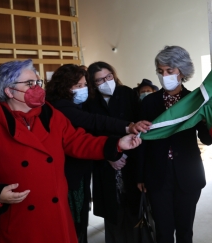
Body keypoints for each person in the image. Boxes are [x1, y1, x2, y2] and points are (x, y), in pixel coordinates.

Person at [0, 59, 142, 243]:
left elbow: (78, 141)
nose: (37, 88)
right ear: (9, 90)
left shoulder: (50, 115)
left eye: (38, 82)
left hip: (55, 215)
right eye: (30, 83)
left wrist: (117, 144)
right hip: (18, 219)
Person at [44, 64, 151, 243]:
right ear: (65, 86)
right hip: (72, 173)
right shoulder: (62, 107)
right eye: (78, 85)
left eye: (84, 84)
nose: (83, 89)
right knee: (76, 221)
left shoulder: (125, 94)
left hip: (87, 168)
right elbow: (94, 122)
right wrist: (126, 129)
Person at [137, 46, 212, 243]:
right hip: (157, 175)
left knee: (185, 231)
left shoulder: (194, 101)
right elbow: (141, 142)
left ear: (182, 71)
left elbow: (206, 139)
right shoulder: (149, 103)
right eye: (160, 71)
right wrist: (140, 175)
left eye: (169, 71)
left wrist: (207, 120)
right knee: (163, 231)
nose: (164, 76)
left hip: (188, 174)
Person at [85, 61, 142, 243]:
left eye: (108, 77)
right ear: (93, 84)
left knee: (134, 209)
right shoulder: (89, 101)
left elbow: (138, 124)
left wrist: (126, 153)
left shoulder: (128, 93)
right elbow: (89, 134)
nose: (106, 82)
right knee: (112, 212)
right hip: (104, 161)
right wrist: (110, 156)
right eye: (100, 80)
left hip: (131, 159)